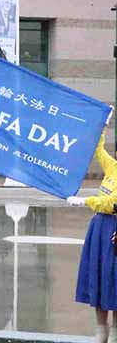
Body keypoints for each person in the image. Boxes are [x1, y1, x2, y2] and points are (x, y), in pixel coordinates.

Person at [67, 120, 117, 343]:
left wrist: (85, 201)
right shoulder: (113, 167)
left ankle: (115, 328)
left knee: (114, 279)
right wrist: (102, 127)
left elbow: (112, 203)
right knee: (98, 275)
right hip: (100, 228)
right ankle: (100, 328)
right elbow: (98, 150)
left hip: (114, 228)